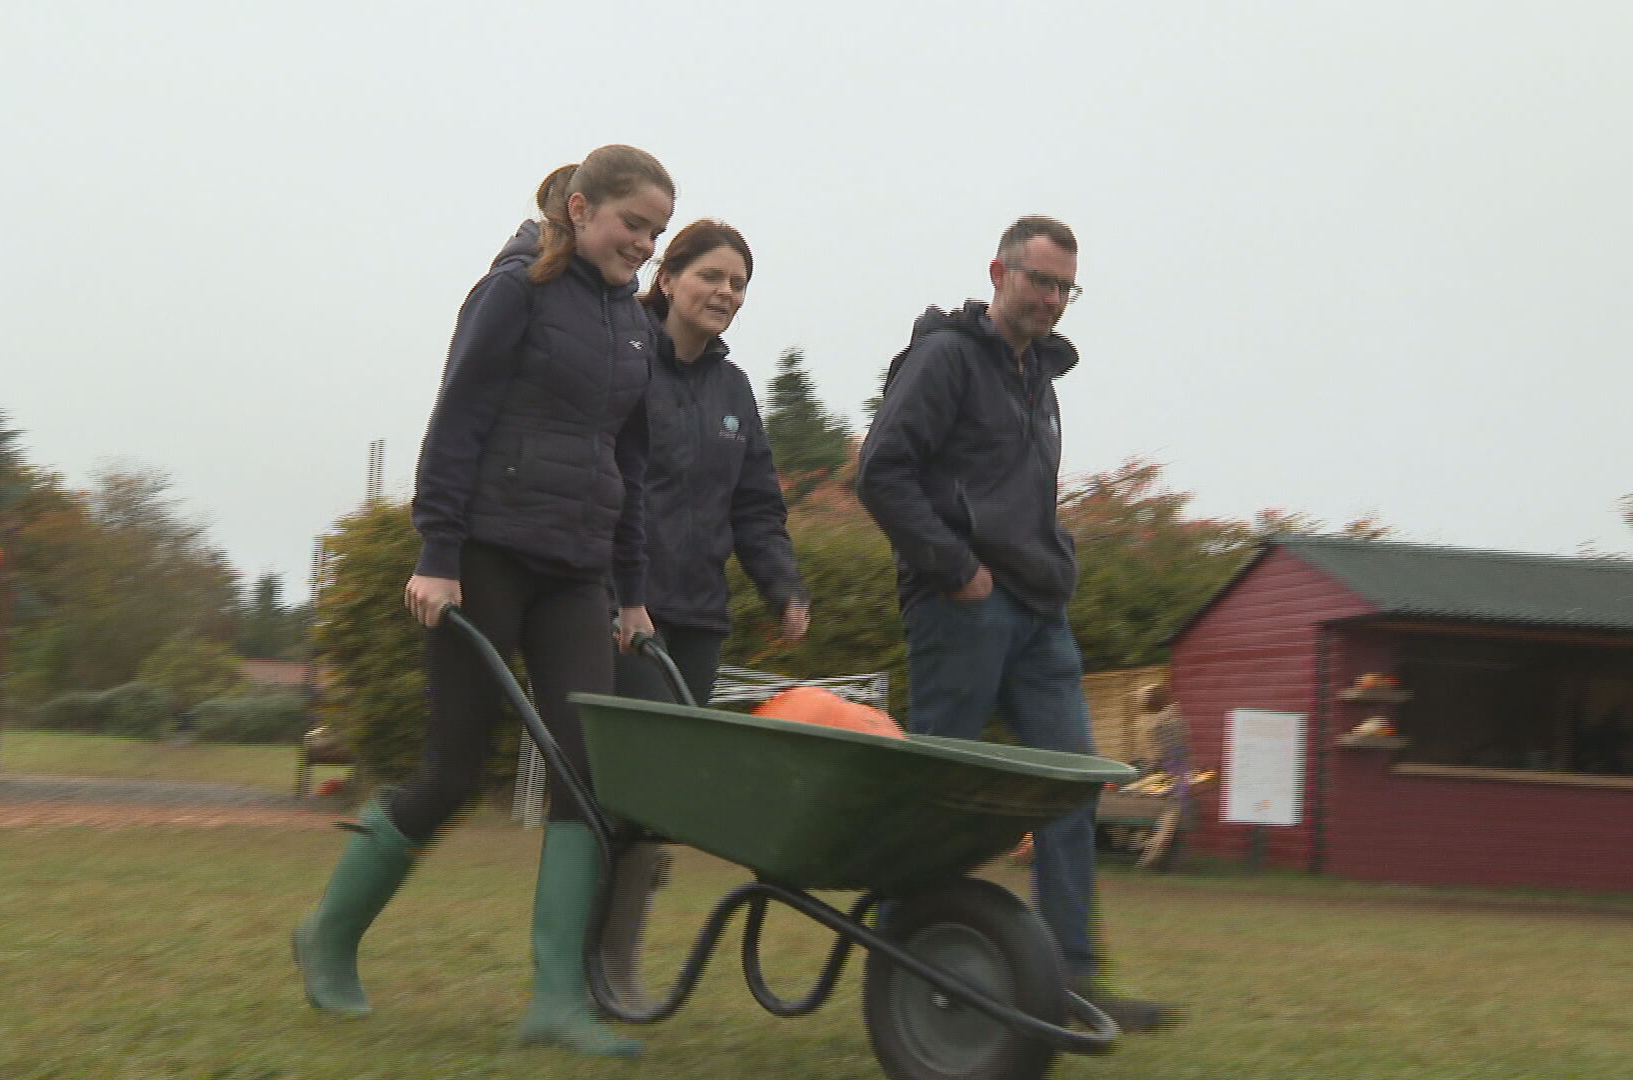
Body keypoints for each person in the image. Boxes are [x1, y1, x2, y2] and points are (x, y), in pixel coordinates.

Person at [292, 144, 674, 1060]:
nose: (646, 247)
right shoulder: (514, 291)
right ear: (581, 209)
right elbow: (457, 419)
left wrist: (630, 593)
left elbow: (630, 464)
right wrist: (437, 551)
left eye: (658, 233)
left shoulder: (634, 328)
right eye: (634, 226)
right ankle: (330, 933)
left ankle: (553, 998)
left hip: (578, 575)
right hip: (489, 557)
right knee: (455, 773)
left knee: (586, 777)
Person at [857, 215, 1181, 1032]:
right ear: (997, 271)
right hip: (960, 605)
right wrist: (956, 570)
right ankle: (905, 973)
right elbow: (881, 475)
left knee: (1070, 789)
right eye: (1039, 280)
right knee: (943, 800)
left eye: (1065, 287)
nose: (1052, 299)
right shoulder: (943, 360)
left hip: (1040, 613)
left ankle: (1073, 979)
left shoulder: (1039, 377)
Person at [600, 219, 810, 1006]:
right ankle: (601, 969)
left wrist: (783, 586)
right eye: (711, 276)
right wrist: (622, 595)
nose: (726, 293)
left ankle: (611, 961)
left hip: (700, 619)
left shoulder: (734, 390)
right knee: (640, 787)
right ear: (668, 277)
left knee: (664, 803)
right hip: (624, 608)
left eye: (739, 283)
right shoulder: (623, 361)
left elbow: (757, 503)